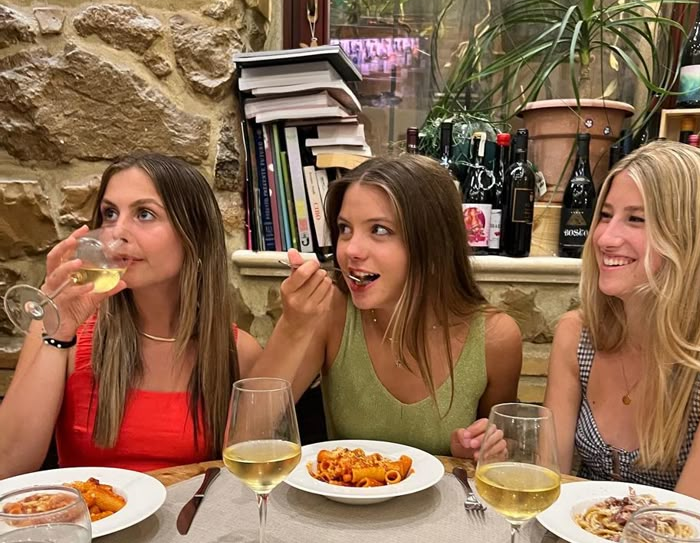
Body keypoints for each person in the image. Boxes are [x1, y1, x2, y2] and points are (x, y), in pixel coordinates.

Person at [0, 152, 261, 477]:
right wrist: (60, 330)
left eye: (145, 214)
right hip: (91, 524)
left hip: (191, 526)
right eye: (110, 214)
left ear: (193, 236)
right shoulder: (60, 329)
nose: (116, 232)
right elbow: (7, 464)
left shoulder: (239, 352)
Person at [251, 154, 522, 457]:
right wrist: (293, 325)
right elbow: (246, 436)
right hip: (341, 503)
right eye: (344, 229)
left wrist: (478, 448)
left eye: (379, 230)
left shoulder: (495, 338)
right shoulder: (331, 312)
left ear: (434, 244)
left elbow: (506, 452)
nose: (350, 250)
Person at [544, 140, 700, 516]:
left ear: (694, 237)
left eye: (636, 219)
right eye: (606, 215)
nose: (604, 238)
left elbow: (683, 531)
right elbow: (549, 480)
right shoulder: (578, 334)